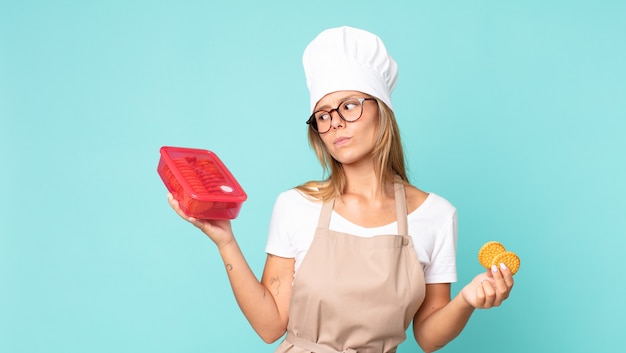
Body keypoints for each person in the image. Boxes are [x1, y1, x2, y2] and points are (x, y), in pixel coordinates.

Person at [168, 26, 515, 353]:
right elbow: (271, 325)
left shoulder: (436, 215)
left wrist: (468, 300)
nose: (335, 122)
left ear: (383, 112)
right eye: (322, 115)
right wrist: (226, 241)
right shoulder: (296, 205)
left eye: (349, 106)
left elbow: (427, 336)